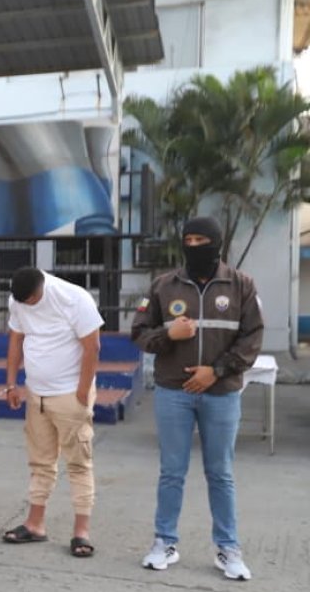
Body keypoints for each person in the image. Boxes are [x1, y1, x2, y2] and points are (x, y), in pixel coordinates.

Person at [131, 216, 262, 581]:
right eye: (188, 239)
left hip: (220, 393)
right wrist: (168, 334)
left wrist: (216, 371)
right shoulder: (163, 286)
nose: (193, 245)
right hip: (174, 392)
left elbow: (252, 338)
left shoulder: (240, 285)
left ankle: (228, 549)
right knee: (171, 472)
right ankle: (164, 543)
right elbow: (140, 334)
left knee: (220, 472)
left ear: (216, 243)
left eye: (200, 239)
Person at [1, 267, 103, 558]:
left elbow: (92, 346)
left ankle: (81, 532)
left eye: (31, 301)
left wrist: (83, 393)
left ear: (41, 289)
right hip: (37, 394)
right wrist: (11, 383)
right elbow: (16, 339)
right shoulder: (18, 300)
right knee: (40, 461)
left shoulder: (74, 299)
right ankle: (35, 524)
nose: (27, 307)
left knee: (78, 463)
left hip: (70, 394)